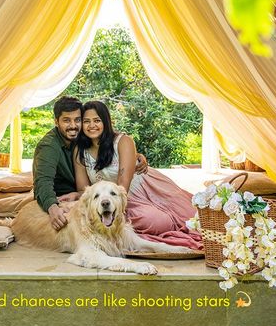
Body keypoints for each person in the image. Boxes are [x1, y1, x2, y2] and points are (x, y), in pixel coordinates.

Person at [72, 100, 203, 250]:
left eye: (97, 120)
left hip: (140, 189)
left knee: (189, 217)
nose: (91, 125)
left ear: (106, 121)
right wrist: (74, 196)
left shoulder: (123, 141)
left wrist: (118, 209)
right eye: (86, 121)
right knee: (157, 221)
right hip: (115, 198)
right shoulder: (80, 151)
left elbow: (123, 182)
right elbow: (84, 190)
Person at [33, 96, 147, 231]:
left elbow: (111, 148)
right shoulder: (51, 146)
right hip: (76, 195)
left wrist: (135, 155)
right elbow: (43, 181)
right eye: (66, 120)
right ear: (56, 122)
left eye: (78, 120)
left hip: (112, 192)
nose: (73, 125)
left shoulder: (81, 137)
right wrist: (53, 208)